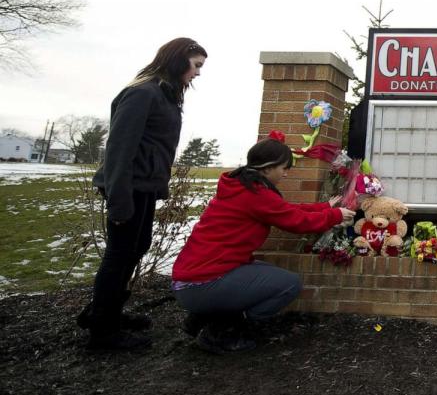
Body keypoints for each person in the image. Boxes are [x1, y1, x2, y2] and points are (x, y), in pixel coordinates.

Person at [77, 37, 208, 349]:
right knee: (119, 256)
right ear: (179, 59)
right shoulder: (142, 92)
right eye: (197, 65)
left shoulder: (164, 95)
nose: (199, 73)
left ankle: (103, 312)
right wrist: (119, 202)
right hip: (128, 187)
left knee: (136, 248)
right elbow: (119, 150)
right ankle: (103, 332)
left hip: (144, 187)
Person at [171, 135, 355, 354]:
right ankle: (221, 331)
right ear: (268, 168)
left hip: (194, 277)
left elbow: (286, 210)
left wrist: (325, 207)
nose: (286, 174)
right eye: (284, 168)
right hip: (201, 282)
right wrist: (335, 215)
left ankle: (202, 317)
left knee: (267, 272)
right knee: (289, 284)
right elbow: (295, 221)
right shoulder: (255, 193)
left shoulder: (242, 187)